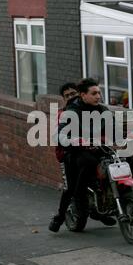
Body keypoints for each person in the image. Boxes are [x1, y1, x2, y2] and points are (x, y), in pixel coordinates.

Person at [49, 78, 116, 232]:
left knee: (113, 164)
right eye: (94, 93)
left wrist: (126, 136)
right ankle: (60, 217)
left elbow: (112, 128)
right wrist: (76, 141)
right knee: (72, 187)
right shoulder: (68, 112)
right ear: (83, 95)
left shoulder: (102, 110)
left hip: (95, 150)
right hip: (73, 153)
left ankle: (100, 208)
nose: (98, 96)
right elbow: (60, 136)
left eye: (99, 93)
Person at [48, 82, 78, 232]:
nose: (71, 97)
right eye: (68, 96)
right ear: (63, 99)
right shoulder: (62, 114)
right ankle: (59, 217)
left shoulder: (89, 109)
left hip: (88, 151)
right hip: (66, 154)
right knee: (70, 188)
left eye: (74, 93)